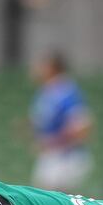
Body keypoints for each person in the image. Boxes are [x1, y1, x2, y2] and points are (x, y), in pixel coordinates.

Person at [29, 51, 93, 191]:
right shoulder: (46, 91)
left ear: (54, 68)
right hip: (51, 154)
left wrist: (56, 141)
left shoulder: (67, 91)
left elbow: (82, 127)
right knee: (44, 196)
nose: (39, 69)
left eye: (43, 65)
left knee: (57, 199)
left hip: (67, 155)